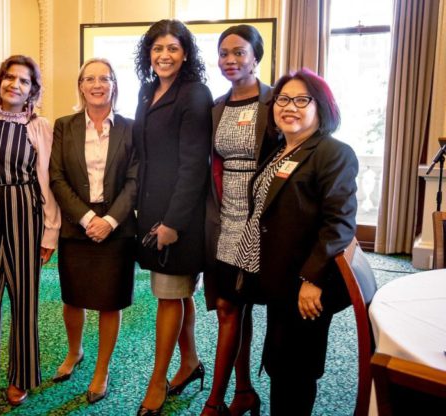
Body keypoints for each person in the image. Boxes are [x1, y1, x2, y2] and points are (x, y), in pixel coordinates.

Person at [233, 69, 357, 415]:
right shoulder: (283, 149)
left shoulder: (333, 153)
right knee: (279, 360)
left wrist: (312, 279)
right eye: (283, 100)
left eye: (302, 100)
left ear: (322, 107)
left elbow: (339, 224)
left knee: (297, 368)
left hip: (306, 284)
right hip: (280, 278)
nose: (290, 107)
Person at [0, 55, 61, 406]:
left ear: (32, 89)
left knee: (24, 298)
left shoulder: (39, 126)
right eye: (9, 78)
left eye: (23, 81)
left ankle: (21, 376)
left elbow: (47, 180)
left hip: (25, 210)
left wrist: (50, 231)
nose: (14, 85)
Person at [132, 19, 212, 415]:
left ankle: (157, 381)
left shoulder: (195, 94)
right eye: (157, 48)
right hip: (149, 211)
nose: (164, 55)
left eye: (173, 49)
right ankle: (191, 362)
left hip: (177, 217)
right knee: (178, 292)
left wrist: (173, 223)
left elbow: (194, 164)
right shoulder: (147, 90)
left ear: (186, 54)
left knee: (168, 296)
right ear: (149, 53)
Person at [49, 58, 138, 404]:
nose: (97, 84)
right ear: (81, 86)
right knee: (73, 296)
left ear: (114, 84)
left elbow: (134, 179)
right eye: (90, 79)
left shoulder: (130, 128)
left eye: (104, 78)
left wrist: (110, 221)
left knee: (108, 300)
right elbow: (56, 176)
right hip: (77, 223)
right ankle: (75, 352)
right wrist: (87, 219)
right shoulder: (64, 126)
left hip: (117, 225)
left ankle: (102, 368)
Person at [201, 24, 279, 416]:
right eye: (224, 53)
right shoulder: (215, 107)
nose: (230, 60)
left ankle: (215, 401)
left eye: (239, 52)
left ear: (256, 56)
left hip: (263, 224)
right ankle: (243, 390)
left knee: (240, 306)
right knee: (231, 308)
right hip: (223, 222)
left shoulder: (276, 102)